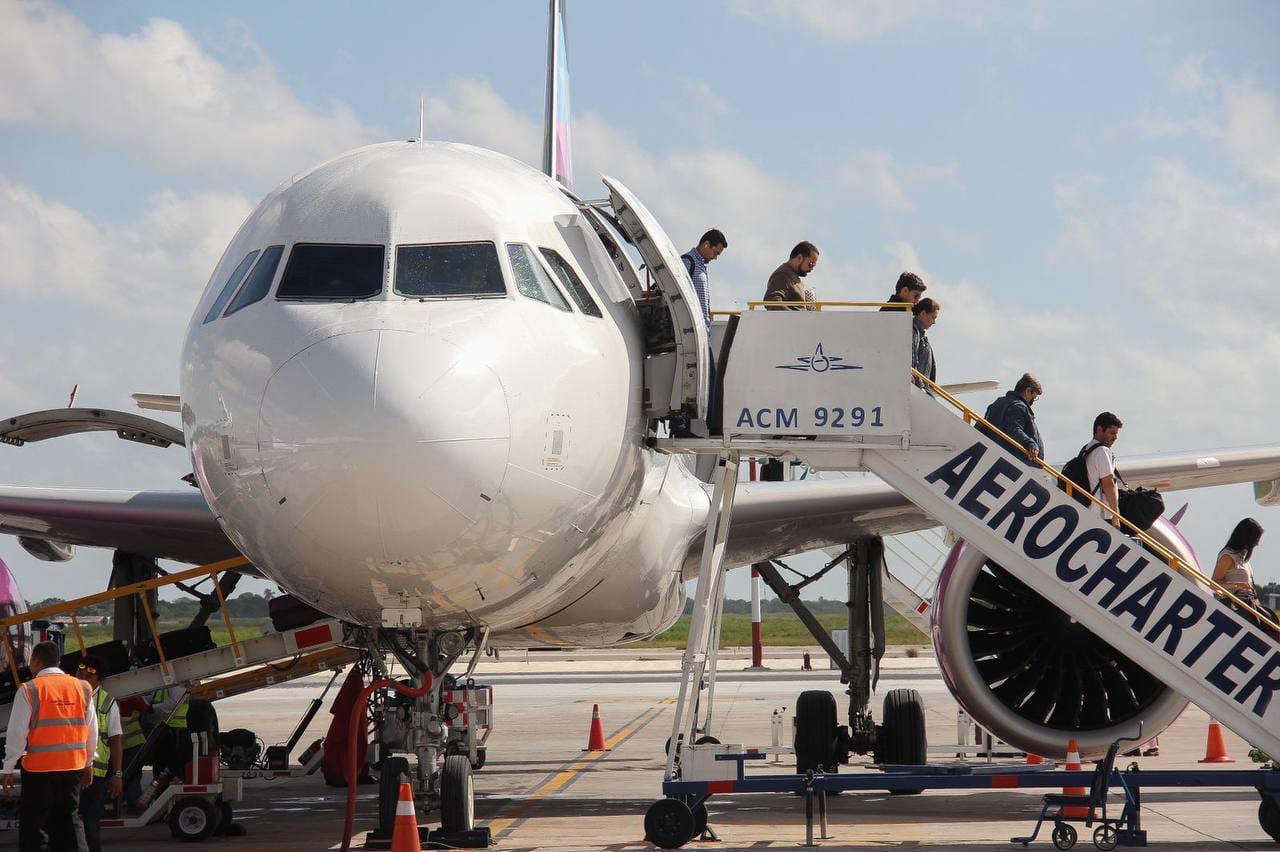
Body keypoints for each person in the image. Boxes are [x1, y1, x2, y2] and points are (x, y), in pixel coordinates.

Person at [2, 640, 95, 852]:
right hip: (72, 766)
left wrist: (9, 766)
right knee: (70, 820)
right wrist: (88, 762)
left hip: (39, 769)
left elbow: (17, 733)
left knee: (36, 825)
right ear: (58, 661)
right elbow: (91, 730)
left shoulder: (29, 689)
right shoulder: (82, 687)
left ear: (36, 661)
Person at [76, 657, 122, 852]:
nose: (83, 679)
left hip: (95, 776)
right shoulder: (68, 695)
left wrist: (117, 775)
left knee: (90, 825)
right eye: (80, 675)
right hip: (69, 770)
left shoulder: (107, 703)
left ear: (99, 681)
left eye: (89, 677)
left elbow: (116, 740)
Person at [979, 374, 1044, 463]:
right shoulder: (1018, 406)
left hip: (992, 456)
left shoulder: (996, 404)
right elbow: (1014, 429)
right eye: (1034, 397)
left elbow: (981, 427)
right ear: (1028, 391)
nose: (1032, 401)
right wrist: (1030, 444)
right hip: (1012, 461)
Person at [681, 229, 727, 333]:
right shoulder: (687, 262)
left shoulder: (701, 265)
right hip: (693, 332)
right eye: (715, 253)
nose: (715, 258)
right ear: (706, 244)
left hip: (702, 331)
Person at [1083, 412, 1123, 524]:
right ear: (1099, 429)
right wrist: (1116, 517)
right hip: (1101, 516)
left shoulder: (1086, 450)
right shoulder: (1102, 451)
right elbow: (1108, 484)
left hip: (1087, 512)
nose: (1115, 437)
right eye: (1112, 433)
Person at [763, 241, 819, 310]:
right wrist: (794, 319)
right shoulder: (783, 275)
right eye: (811, 264)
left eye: (814, 266)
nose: (811, 269)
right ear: (799, 258)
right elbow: (772, 301)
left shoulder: (792, 276)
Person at [910, 298, 941, 390]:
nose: (934, 322)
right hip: (918, 388)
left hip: (921, 387)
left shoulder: (922, 337)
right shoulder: (913, 331)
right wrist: (920, 386)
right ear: (923, 313)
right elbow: (913, 360)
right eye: (933, 317)